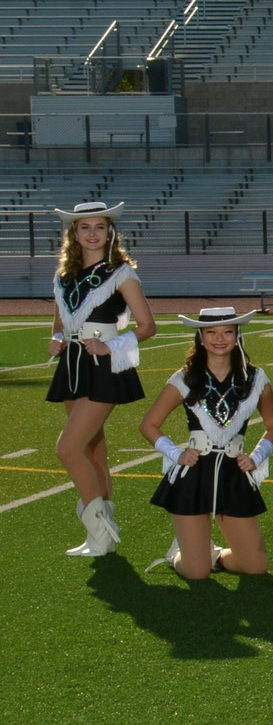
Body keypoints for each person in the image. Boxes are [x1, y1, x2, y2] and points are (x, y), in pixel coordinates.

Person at [138, 308, 273, 578]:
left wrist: (256, 457)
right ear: (201, 338)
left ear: (237, 336)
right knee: (196, 572)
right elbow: (149, 425)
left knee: (255, 567)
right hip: (194, 474)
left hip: (234, 473)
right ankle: (180, 555)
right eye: (211, 332)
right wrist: (176, 454)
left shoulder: (255, 379)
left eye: (228, 332)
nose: (219, 338)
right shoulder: (185, 379)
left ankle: (213, 555)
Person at [47, 201, 156, 557]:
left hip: (103, 364)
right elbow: (63, 318)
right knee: (93, 450)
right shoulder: (64, 276)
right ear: (73, 234)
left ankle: (99, 529)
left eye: (99, 227)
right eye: (84, 227)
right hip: (72, 365)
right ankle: (104, 530)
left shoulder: (121, 273)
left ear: (110, 232)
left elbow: (147, 327)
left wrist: (111, 345)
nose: (92, 233)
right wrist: (58, 338)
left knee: (68, 448)